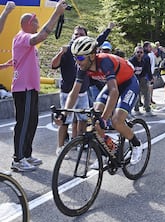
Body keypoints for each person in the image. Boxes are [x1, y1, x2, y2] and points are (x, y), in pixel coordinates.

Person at [57, 36, 143, 165]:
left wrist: (104, 118)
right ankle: (108, 151)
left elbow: (114, 92)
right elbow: (74, 92)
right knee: (94, 121)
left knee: (116, 121)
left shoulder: (104, 61)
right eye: (75, 57)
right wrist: (64, 114)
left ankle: (136, 144)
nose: (77, 62)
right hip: (112, 84)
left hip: (128, 83)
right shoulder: (82, 67)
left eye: (80, 58)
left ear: (92, 56)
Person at [10, 0, 68, 172]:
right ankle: (17, 159)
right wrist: (56, 13)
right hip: (24, 88)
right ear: (29, 23)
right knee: (24, 122)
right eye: (36, 22)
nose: (38, 24)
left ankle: (26, 155)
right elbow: (42, 35)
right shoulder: (22, 37)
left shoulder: (27, 41)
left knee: (32, 122)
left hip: (31, 88)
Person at [51, 23, 114, 156]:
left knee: (82, 120)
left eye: (81, 34)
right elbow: (53, 65)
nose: (78, 36)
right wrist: (61, 52)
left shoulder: (88, 49)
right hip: (67, 91)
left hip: (83, 91)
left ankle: (77, 142)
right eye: (76, 34)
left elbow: (99, 40)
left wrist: (108, 28)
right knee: (65, 120)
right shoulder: (67, 50)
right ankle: (60, 147)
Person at [128, 45, 154, 116]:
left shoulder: (145, 60)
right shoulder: (131, 61)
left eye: (141, 52)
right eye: (138, 52)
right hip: (132, 78)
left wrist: (150, 78)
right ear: (135, 53)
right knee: (136, 94)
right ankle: (136, 109)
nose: (139, 54)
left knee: (146, 93)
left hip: (142, 77)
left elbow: (147, 70)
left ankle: (147, 109)